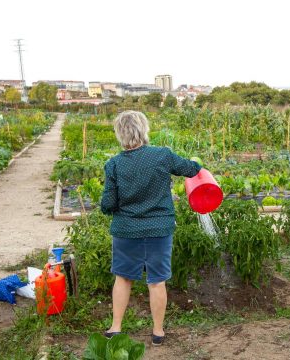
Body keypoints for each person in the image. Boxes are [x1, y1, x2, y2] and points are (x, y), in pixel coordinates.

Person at [100, 110, 201, 346]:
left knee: (123, 279)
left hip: (126, 231)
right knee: (156, 281)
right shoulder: (162, 155)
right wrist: (197, 163)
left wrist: (111, 209)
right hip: (159, 230)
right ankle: (157, 332)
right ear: (143, 130)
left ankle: (115, 328)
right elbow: (190, 169)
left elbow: (108, 203)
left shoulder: (113, 164)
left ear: (120, 134)